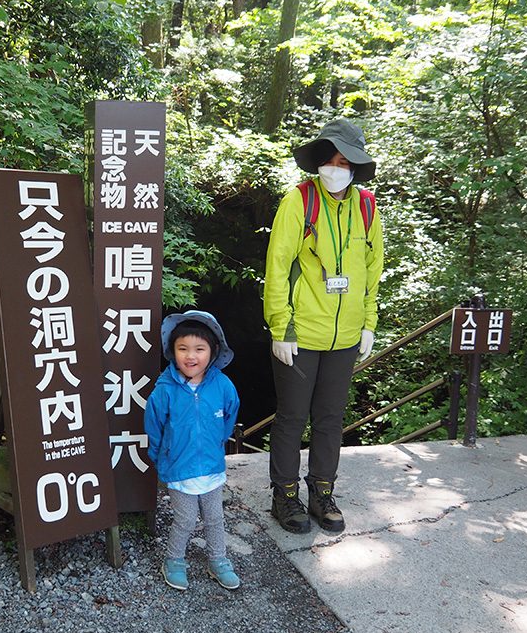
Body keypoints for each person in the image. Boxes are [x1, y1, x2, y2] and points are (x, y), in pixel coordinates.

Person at [262, 118, 384, 534]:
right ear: (319, 162)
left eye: (344, 161)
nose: (336, 167)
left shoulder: (367, 208)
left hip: (345, 336)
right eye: (329, 159)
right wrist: (281, 327)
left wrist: (368, 324)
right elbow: (277, 266)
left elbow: (372, 271)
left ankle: (322, 493)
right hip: (301, 333)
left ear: (355, 166)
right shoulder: (299, 201)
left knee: (331, 418)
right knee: (292, 417)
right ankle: (285, 495)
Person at [144, 310, 241, 591]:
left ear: (213, 352)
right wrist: (162, 458)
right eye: (182, 348)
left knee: (215, 518)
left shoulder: (223, 385)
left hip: (211, 467)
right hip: (178, 468)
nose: (191, 356)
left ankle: (218, 560)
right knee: (185, 519)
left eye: (199, 349)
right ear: (172, 352)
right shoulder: (164, 391)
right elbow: (154, 427)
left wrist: (216, 446)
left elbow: (228, 419)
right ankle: (173, 560)